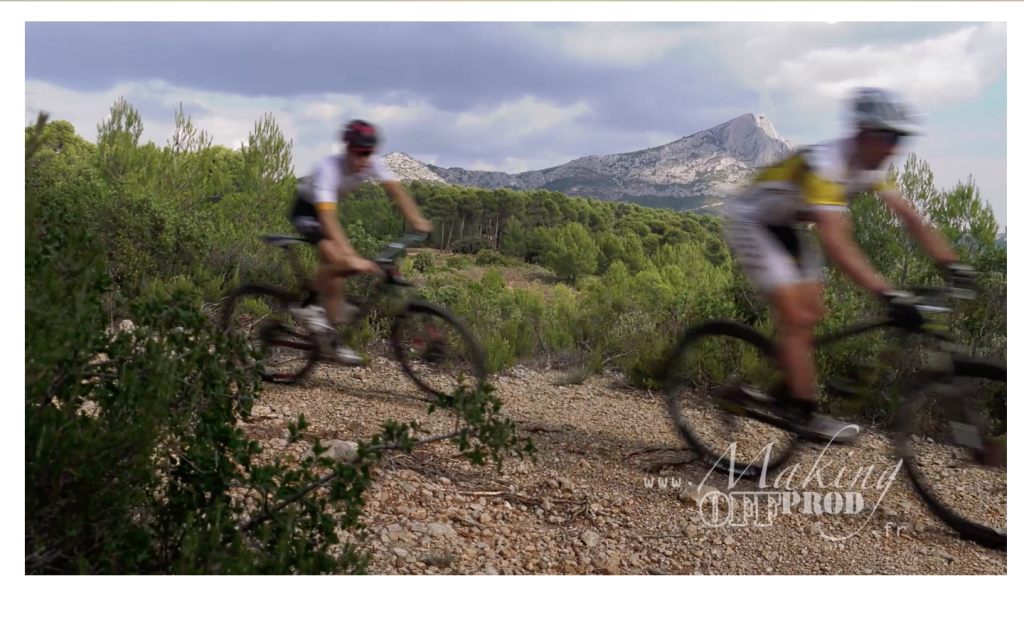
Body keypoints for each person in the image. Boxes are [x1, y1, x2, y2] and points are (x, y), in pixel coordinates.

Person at [724, 88, 975, 443]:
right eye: (887, 135)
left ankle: (782, 389)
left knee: (812, 313)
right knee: (797, 317)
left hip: (789, 225)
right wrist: (887, 293)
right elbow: (836, 241)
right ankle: (805, 411)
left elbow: (910, 218)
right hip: (753, 220)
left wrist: (953, 265)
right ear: (863, 132)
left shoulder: (875, 167)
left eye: (900, 137)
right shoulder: (826, 163)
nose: (894, 146)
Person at [289, 119, 433, 364]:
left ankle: (329, 341)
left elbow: (396, 191)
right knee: (340, 259)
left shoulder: (371, 163)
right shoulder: (328, 169)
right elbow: (327, 218)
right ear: (347, 149)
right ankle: (307, 305)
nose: (361, 159)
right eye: (357, 153)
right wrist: (351, 255)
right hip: (307, 210)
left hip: (327, 211)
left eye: (367, 153)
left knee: (340, 277)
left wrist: (417, 219)